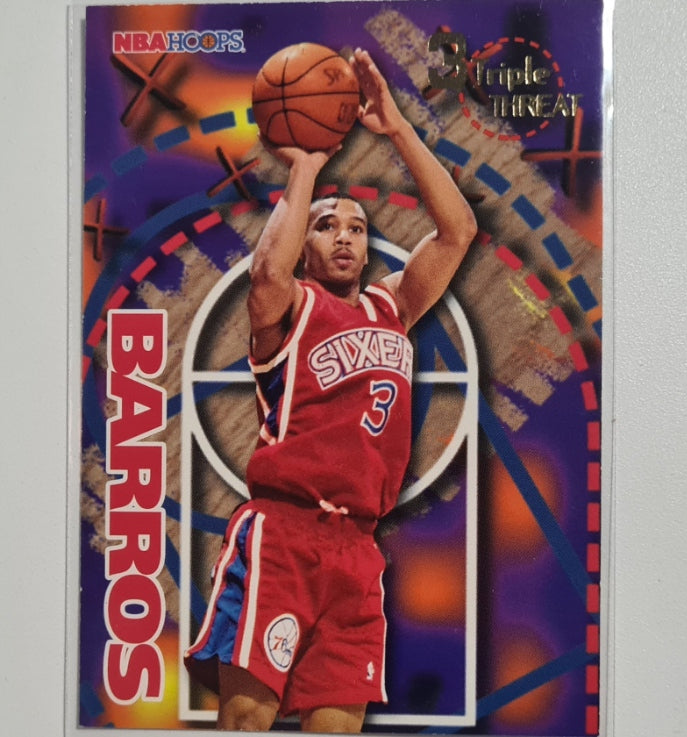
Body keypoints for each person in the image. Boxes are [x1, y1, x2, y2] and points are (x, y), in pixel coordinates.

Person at [184, 48, 477, 732]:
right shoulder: (288, 309)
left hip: (358, 547)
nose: (344, 237)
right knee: (246, 719)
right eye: (325, 225)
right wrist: (307, 166)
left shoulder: (390, 307)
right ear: (305, 244)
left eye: (355, 228)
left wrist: (397, 127)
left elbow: (458, 230)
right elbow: (266, 272)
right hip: (284, 533)